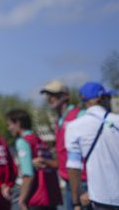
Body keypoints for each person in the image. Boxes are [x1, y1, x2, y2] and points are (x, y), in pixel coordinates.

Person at [65, 82, 119, 210]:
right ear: (101, 98)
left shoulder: (74, 127)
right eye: (108, 97)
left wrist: (76, 201)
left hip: (101, 198)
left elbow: (73, 167)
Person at [39, 79, 86, 210]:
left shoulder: (79, 115)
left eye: (54, 95)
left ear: (65, 96)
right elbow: (63, 153)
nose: (50, 98)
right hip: (69, 180)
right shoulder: (58, 121)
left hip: (81, 180)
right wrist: (48, 162)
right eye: (48, 95)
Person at [5, 109, 62, 210]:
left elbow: (28, 175)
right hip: (50, 196)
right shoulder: (40, 141)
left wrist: (22, 200)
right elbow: (57, 164)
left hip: (35, 198)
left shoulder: (23, 141)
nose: (9, 128)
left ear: (18, 123)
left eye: (10, 125)